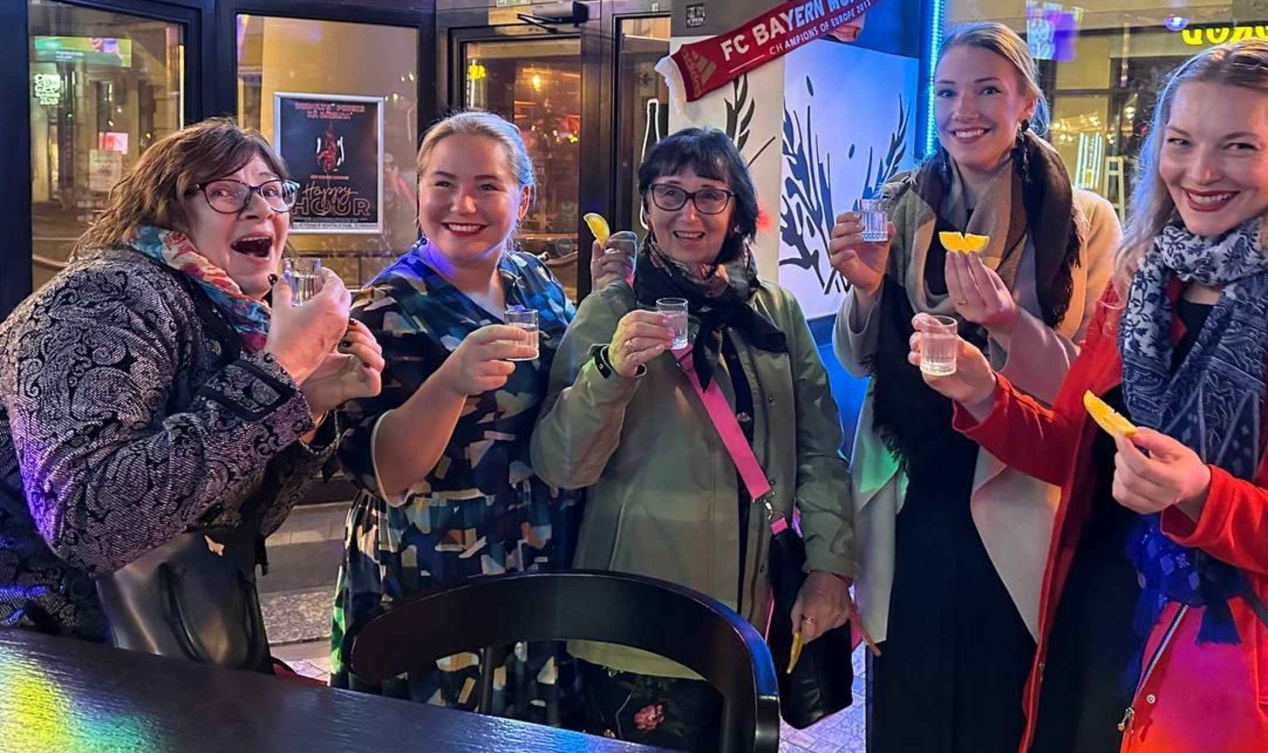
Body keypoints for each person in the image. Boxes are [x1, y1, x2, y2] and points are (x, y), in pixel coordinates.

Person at [915, 39, 1268, 753]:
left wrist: (1202, 494)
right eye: (1181, 143)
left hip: (1230, 669)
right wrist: (982, 394)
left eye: (1238, 146)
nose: (1200, 172)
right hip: (1096, 624)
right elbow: (1080, 455)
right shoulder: (1141, 281)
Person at [828, 21, 1121, 753]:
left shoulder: (1082, 219)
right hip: (913, 478)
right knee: (909, 698)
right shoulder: (898, 205)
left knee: (1004, 697)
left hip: (1018, 477)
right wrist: (867, 288)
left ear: (1026, 103)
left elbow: (1091, 387)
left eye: (988, 90)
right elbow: (861, 361)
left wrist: (1009, 323)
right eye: (947, 92)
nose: (965, 110)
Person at [0, 119, 381, 657]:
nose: (260, 210)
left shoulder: (231, 315)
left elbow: (232, 523)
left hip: (174, 653)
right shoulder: (101, 298)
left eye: (272, 191)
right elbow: (91, 526)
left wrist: (307, 403)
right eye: (226, 192)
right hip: (51, 663)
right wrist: (283, 368)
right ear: (168, 209)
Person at [533, 127, 857, 752]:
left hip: (749, 620)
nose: (689, 214)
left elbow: (819, 449)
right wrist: (611, 370)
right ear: (647, 206)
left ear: (737, 209)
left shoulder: (774, 311)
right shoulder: (612, 309)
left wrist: (829, 568)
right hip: (639, 625)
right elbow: (561, 463)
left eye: (710, 195)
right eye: (670, 194)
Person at [330, 111, 597, 716]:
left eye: (487, 186)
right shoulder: (383, 308)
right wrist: (451, 382)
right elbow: (384, 473)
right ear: (416, 191)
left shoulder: (533, 281)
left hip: (540, 554)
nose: (463, 204)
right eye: (444, 184)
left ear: (522, 200)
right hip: (432, 571)